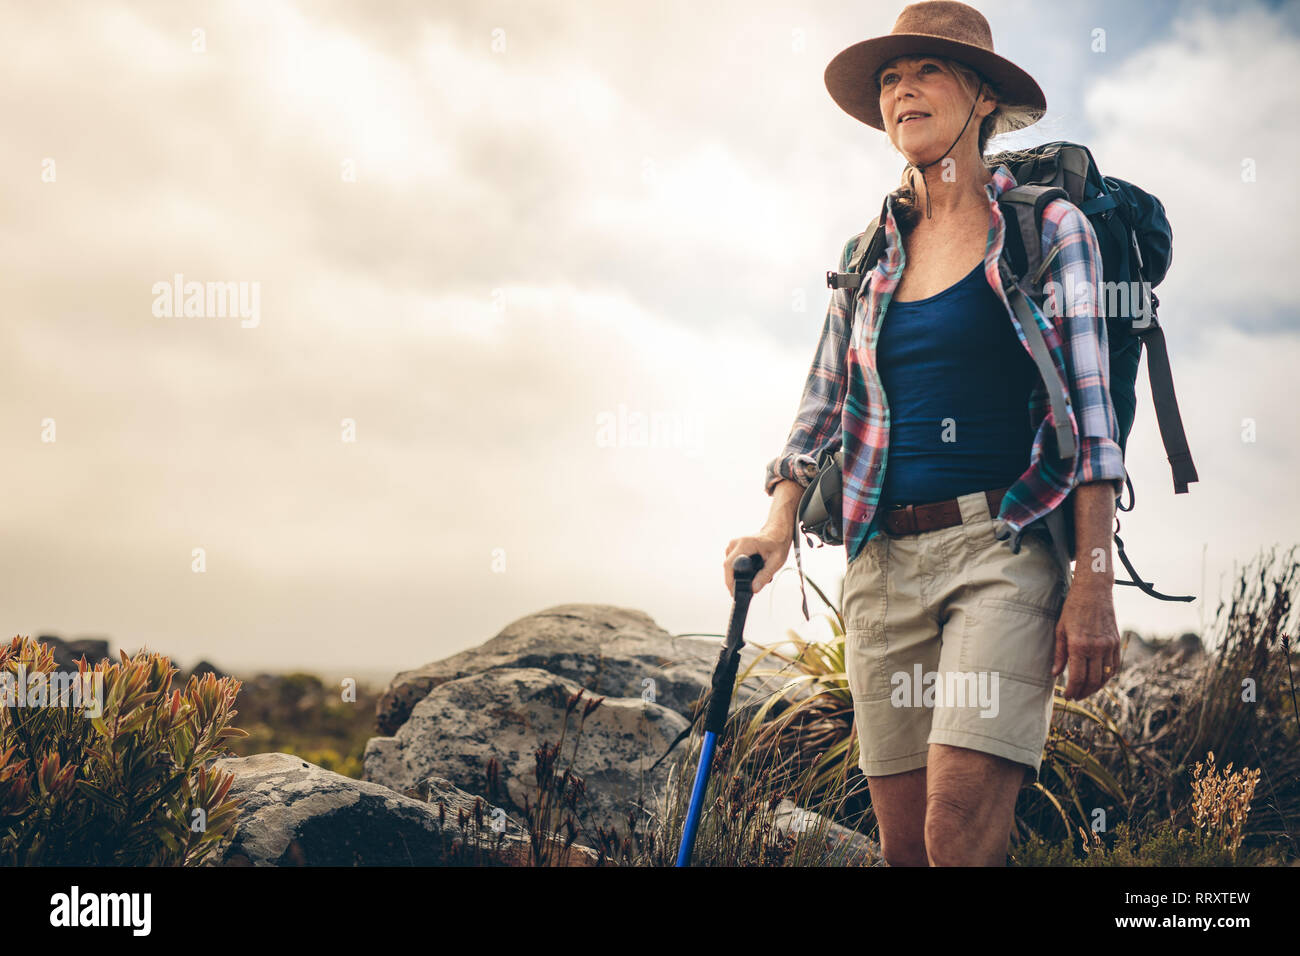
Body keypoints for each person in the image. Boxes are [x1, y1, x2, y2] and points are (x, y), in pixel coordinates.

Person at [723, 0, 1125, 866]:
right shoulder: (867, 249)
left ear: (982, 94)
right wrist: (775, 527)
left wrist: (1092, 585)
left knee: (956, 828)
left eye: (927, 70)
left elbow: (1093, 421)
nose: (903, 89)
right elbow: (820, 403)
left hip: (1003, 550)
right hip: (880, 560)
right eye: (890, 79)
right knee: (907, 850)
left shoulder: (1050, 231)